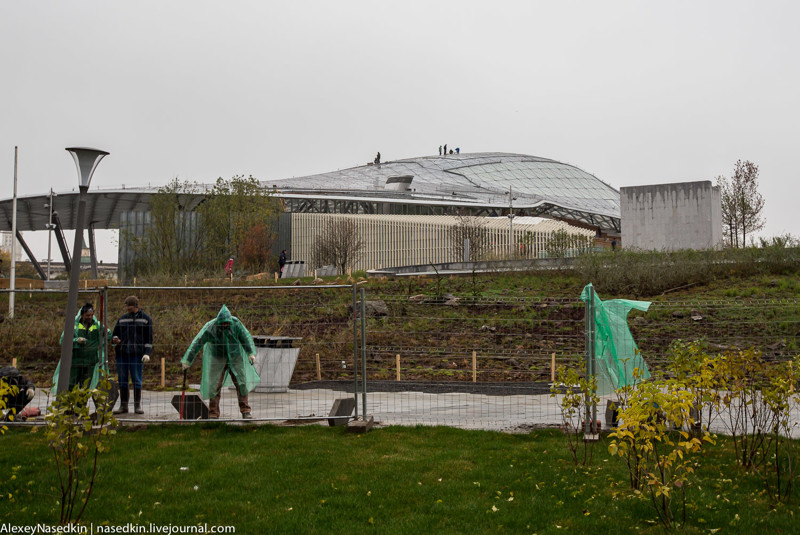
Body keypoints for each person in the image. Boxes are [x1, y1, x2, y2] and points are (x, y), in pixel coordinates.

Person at [180, 305, 260, 419]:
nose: (225, 326)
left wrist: (250, 353)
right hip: (217, 357)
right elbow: (197, 343)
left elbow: (244, 338)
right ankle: (213, 413)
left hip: (235, 356)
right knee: (214, 386)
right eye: (223, 324)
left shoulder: (236, 324)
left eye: (227, 324)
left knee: (241, 383)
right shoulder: (210, 327)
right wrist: (188, 360)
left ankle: (246, 411)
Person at [53, 303, 112, 391]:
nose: (90, 317)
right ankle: (69, 403)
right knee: (71, 385)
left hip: (90, 363)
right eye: (87, 315)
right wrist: (77, 340)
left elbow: (109, 335)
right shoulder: (73, 326)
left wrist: (112, 338)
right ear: (81, 315)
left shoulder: (98, 326)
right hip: (75, 362)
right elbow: (63, 341)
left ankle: (81, 405)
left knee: (85, 387)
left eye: (91, 315)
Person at [111, 296, 153, 414]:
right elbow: (115, 334)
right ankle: (123, 406)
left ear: (135, 306)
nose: (127, 309)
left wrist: (147, 353)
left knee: (136, 379)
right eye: (126, 307)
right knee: (122, 380)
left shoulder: (146, 320)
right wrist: (115, 339)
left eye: (129, 307)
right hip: (122, 354)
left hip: (137, 354)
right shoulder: (122, 319)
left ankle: (137, 406)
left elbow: (149, 338)